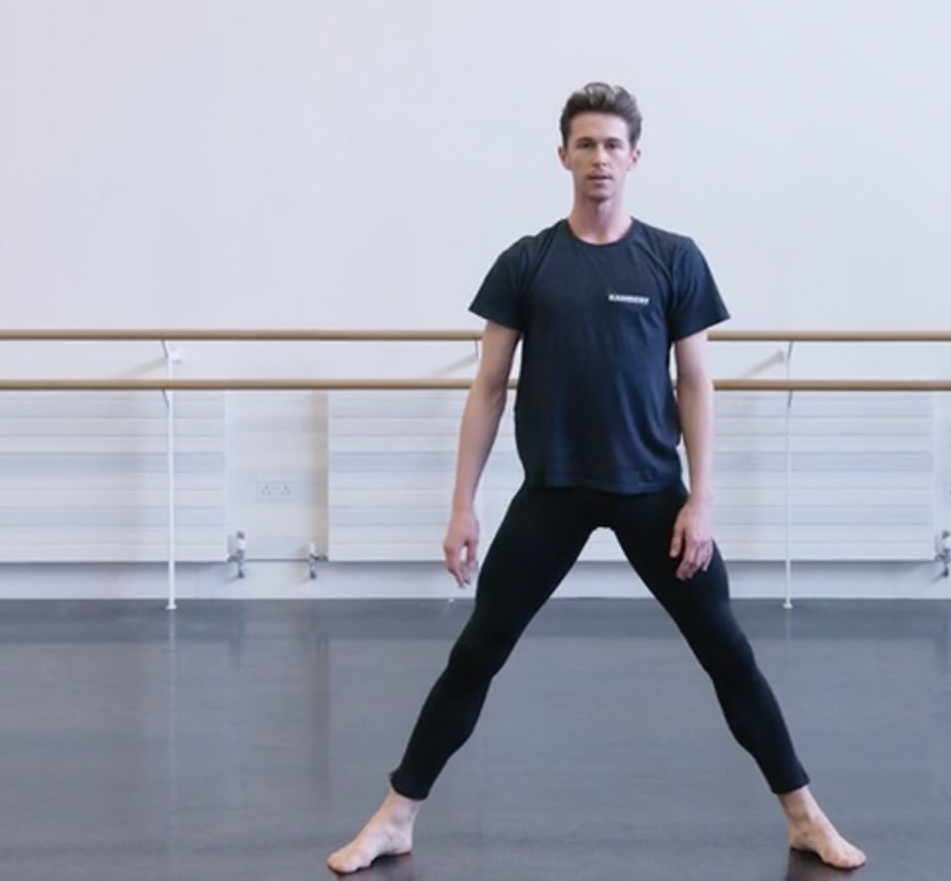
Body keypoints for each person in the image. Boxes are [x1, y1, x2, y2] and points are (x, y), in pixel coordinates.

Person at [326, 83, 865, 874]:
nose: (600, 159)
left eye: (614, 145)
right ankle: (396, 817)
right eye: (586, 145)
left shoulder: (673, 258)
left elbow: (695, 383)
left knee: (729, 654)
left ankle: (805, 816)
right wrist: (461, 506)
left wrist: (702, 500)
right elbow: (485, 387)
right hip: (554, 491)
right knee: (477, 652)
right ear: (563, 156)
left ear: (635, 157)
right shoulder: (529, 261)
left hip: (653, 491)